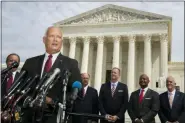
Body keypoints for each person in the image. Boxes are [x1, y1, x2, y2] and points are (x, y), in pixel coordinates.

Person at [20, 26, 82, 123]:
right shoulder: (30, 63)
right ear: (44, 40)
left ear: (61, 41)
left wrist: (53, 101)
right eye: (52, 36)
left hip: (54, 117)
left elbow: (75, 92)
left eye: (58, 37)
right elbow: (21, 88)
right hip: (29, 116)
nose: (55, 40)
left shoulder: (71, 64)